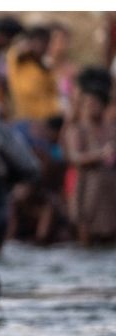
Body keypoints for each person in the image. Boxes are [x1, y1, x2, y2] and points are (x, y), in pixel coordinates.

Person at [64, 68, 116, 245]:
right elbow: (74, 157)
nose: (90, 106)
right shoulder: (77, 129)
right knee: (86, 242)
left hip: (110, 194)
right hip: (86, 192)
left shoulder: (112, 129)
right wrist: (99, 156)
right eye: (88, 102)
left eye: (95, 102)